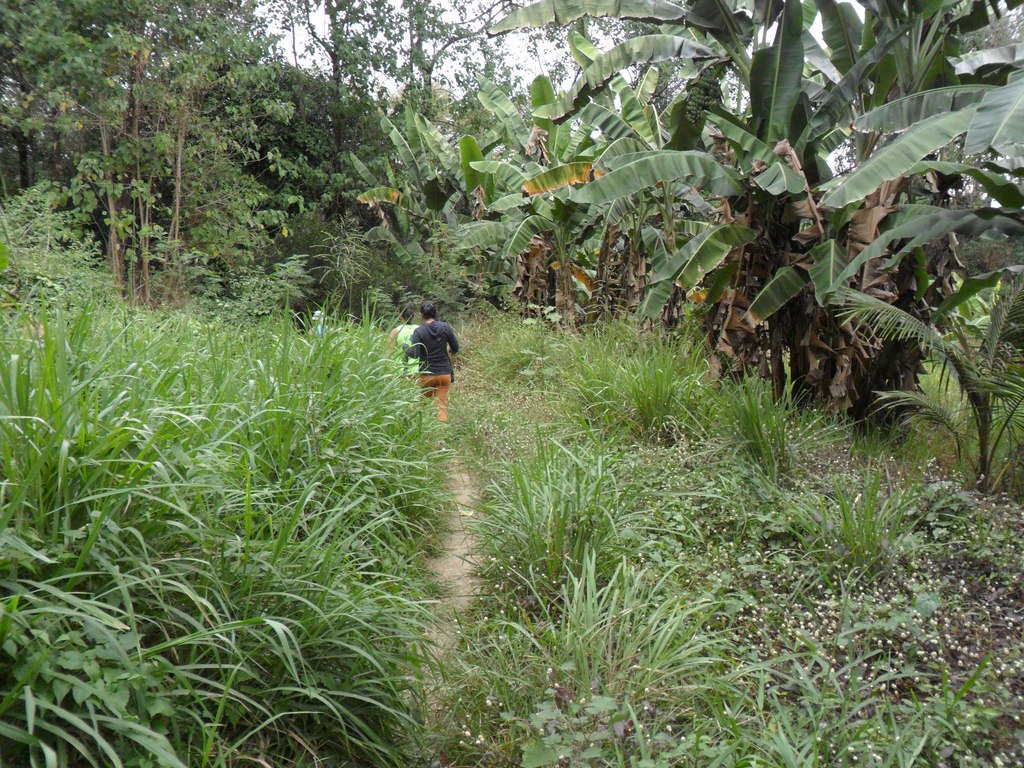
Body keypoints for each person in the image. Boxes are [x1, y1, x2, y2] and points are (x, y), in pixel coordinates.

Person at [405, 300, 459, 422]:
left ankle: (423, 429)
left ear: (421, 315)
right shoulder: (445, 327)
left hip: (426, 374)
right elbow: (455, 348)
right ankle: (441, 432)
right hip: (444, 373)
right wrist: (451, 352)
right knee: (441, 408)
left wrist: (405, 349)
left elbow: (414, 354)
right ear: (436, 313)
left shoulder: (419, 331)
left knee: (422, 406)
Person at [387, 304, 421, 375]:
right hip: (419, 372)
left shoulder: (395, 331)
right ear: (413, 315)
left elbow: (389, 355)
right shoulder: (420, 329)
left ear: (400, 316)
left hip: (400, 372)